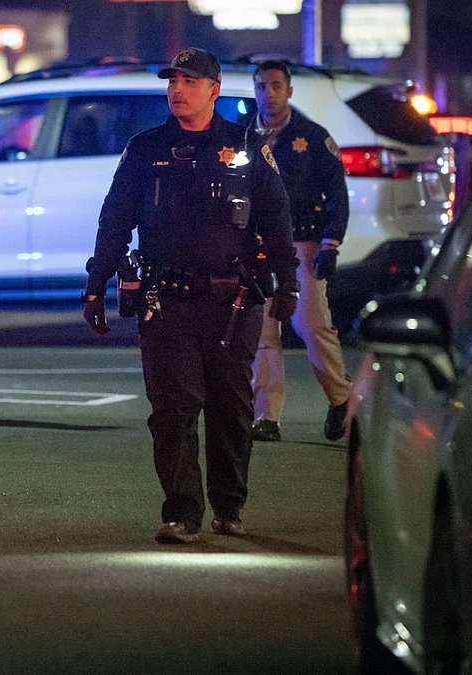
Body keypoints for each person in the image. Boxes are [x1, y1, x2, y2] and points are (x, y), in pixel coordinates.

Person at [83, 48, 299, 544]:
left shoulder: (246, 146)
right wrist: (97, 284)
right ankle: (182, 512)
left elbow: (276, 219)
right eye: (172, 81)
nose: (177, 89)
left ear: (214, 90)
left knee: (230, 407)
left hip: (232, 300)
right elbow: (115, 220)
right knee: (173, 409)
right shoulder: (146, 149)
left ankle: (229, 505)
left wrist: (287, 281)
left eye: (189, 81)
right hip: (165, 299)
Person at [248, 60, 353, 443]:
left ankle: (341, 397)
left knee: (310, 323)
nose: (269, 94)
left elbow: (337, 193)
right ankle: (267, 416)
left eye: (276, 85)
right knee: (262, 330)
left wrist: (330, 243)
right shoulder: (244, 136)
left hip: (301, 242)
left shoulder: (312, 137)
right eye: (262, 86)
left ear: (289, 90)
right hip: (258, 245)